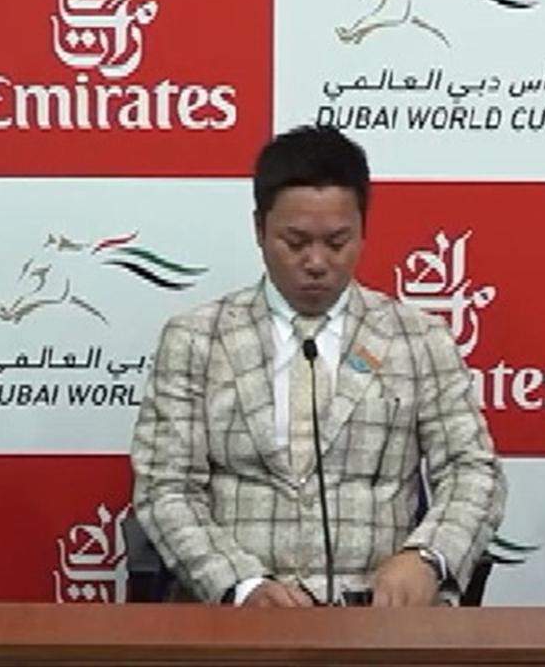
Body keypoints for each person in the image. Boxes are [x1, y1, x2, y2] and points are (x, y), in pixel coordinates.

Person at [131, 124, 506, 606]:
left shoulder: (418, 338)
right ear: (259, 229)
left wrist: (428, 557)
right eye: (295, 242)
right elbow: (166, 488)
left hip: (379, 617)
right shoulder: (196, 340)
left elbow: (472, 470)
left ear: (363, 230)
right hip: (238, 618)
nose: (316, 261)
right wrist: (242, 586)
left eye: (336, 241)